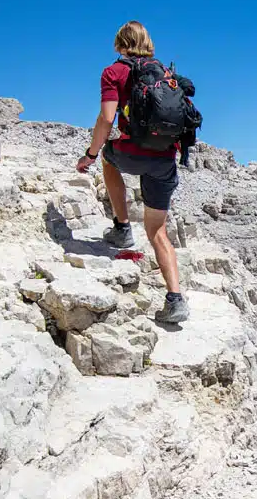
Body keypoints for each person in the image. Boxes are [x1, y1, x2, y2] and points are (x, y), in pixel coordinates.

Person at [75, 20, 189, 324]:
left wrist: (91, 152)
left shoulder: (113, 72)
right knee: (157, 232)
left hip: (130, 154)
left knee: (108, 159)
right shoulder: (165, 73)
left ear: (119, 43)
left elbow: (106, 118)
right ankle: (175, 299)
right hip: (165, 160)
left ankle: (122, 228)